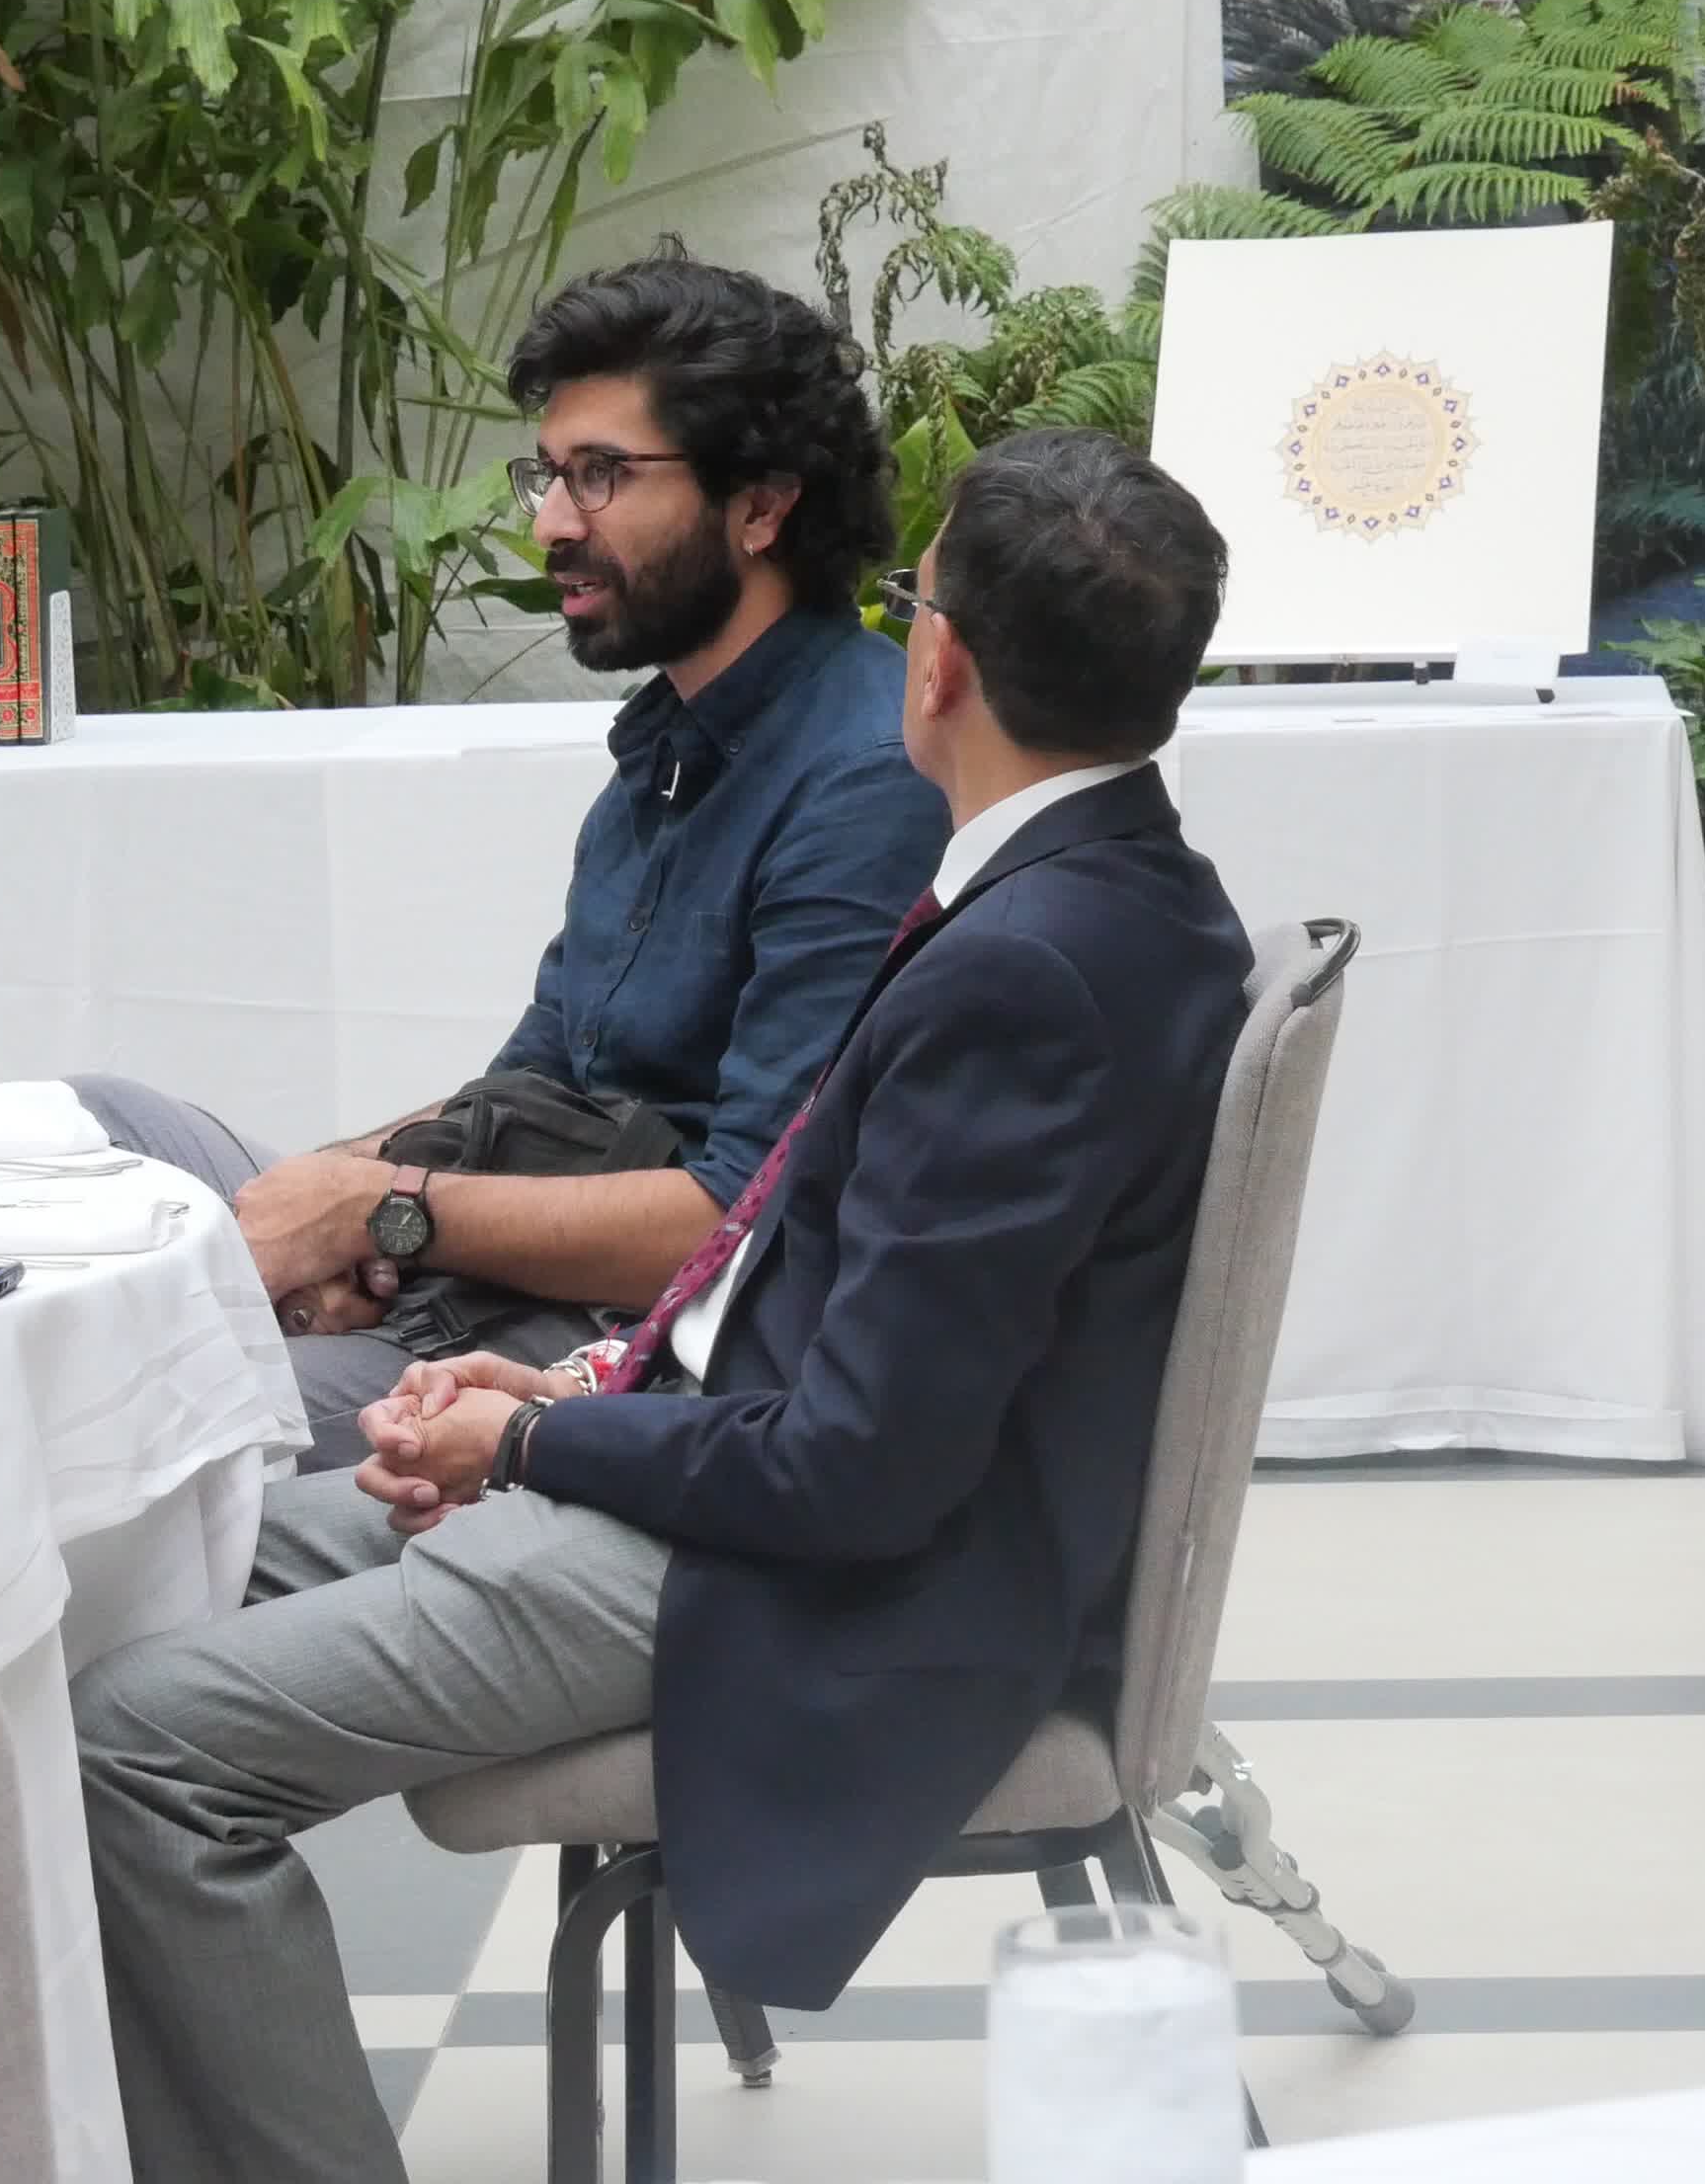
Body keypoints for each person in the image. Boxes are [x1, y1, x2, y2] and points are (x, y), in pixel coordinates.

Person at [72, 427, 1254, 2182]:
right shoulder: (1114, 893)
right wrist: (567, 1393)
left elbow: (858, 1472)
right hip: (726, 1476)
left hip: (799, 1586)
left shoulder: (1030, 971)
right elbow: (815, 1306)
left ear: (937, 662)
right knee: (127, 1564)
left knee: (130, 1751)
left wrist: (537, 1446)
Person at [78, 249, 948, 1467]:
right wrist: (341, 1201)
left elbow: (740, 1222)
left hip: (600, 1345)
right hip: (476, 1269)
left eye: (601, 475)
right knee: (96, 1120)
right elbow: (533, 1086)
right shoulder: (666, 741)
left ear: (760, 506)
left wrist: (380, 1215)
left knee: (133, 1409)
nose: (549, 524)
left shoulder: (861, 778)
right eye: (547, 474)